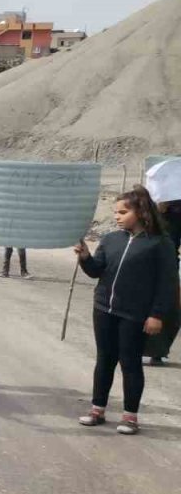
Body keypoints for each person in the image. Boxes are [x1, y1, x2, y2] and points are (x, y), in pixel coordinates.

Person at [74, 186, 178, 435]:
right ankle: (97, 409)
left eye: (123, 212)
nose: (117, 216)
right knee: (104, 360)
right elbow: (97, 271)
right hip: (103, 309)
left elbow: (168, 283)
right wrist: (86, 258)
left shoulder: (160, 243)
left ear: (141, 212)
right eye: (115, 212)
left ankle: (130, 417)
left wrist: (157, 314)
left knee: (130, 363)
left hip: (135, 314)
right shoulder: (111, 239)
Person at [144, 200, 181, 365]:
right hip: (145, 262)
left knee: (169, 306)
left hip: (170, 264)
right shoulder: (147, 208)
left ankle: (157, 351)